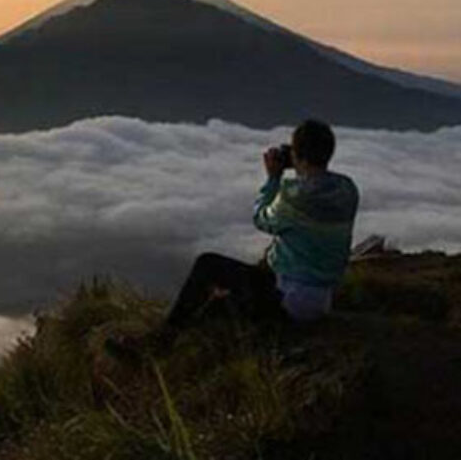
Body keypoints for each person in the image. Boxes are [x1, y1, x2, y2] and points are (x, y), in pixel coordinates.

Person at [107, 119, 360, 358]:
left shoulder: (293, 197)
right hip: (321, 298)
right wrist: (300, 167)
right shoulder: (347, 189)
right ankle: (167, 344)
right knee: (215, 308)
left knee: (208, 265)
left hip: (288, 300)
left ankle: (158, 344)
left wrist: (273, 178)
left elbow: (262, 218)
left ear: (299, 156)